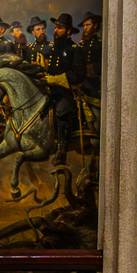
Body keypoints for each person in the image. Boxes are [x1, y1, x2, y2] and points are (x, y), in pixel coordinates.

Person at [42, 13, 83, 165]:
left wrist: (58, 79)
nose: (56, 30)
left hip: (67, 91)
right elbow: (51, 69)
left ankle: (62, 150)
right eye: (56, 27)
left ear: (68, 31)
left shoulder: (74, 49)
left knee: (63, 111)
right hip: (51, 90)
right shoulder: (54, 49)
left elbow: (79, 74)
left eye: (60, 28)